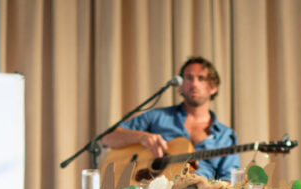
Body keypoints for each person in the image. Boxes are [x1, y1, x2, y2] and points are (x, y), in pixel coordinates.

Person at [100, 56, 238, 181]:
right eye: (189, 78)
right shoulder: (157, 117)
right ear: (181, 85)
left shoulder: (226, 135)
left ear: (213, 88)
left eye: (201, 78)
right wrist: (141, 137)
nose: (194, 84)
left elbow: (230, 179)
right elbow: (107, 138)